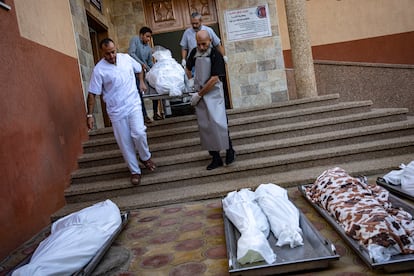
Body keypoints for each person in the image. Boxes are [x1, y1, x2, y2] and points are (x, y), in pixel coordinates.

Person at [87, 38, 156, 185]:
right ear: (102, 53)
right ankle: (134, 171)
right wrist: (90, 115)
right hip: (116, 111)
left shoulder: (126, 59)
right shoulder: (99, 70)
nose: (111, 56)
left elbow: (139, 69)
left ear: (116, 48)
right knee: (125, 142)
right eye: (107, 54)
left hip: (133, 104)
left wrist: (142, 82)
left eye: (113, 52)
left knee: (139, 133)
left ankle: (145, 157)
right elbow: (92, 93)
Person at [185, 30, 235, 170]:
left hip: (214, 94)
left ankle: (229, 150)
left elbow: (214, 79)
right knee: (206, 126)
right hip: (201, 93)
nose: (201, 47)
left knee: (219, 123)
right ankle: (215, 157)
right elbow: (188, 67)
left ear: (210, 41)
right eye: (199, 44)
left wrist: (199, 95)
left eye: (204, 44)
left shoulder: (216, 54)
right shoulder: (194, 52)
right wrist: (190, 81)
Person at [129, 27, 163, 122]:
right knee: (139, 93)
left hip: (145, 72)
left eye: (150, 37)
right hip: (134, 73)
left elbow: (149, 62)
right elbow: (131, 53)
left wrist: (157, 67)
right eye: (147, 36)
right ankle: (144, 116)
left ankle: (155, 113)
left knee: (154, 88)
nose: (148, 39)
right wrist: (141, 63)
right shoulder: (135, 40)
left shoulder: (148, 48)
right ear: (141, 35)